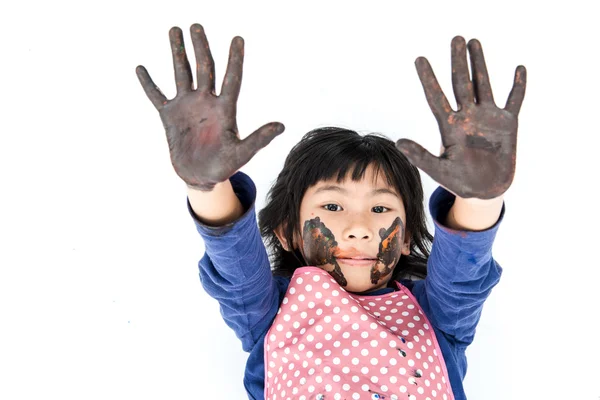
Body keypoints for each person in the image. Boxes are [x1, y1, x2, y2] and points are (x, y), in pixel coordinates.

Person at [136, 23, 526, 400]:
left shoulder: (438, 314)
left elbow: (463, 272)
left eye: (379, 207)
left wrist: (479, 197)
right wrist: (207, 185)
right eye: (333, 205)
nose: (359, 228)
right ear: (287, 231)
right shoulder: (268, 312)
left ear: (406, 237)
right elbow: (234, 266)